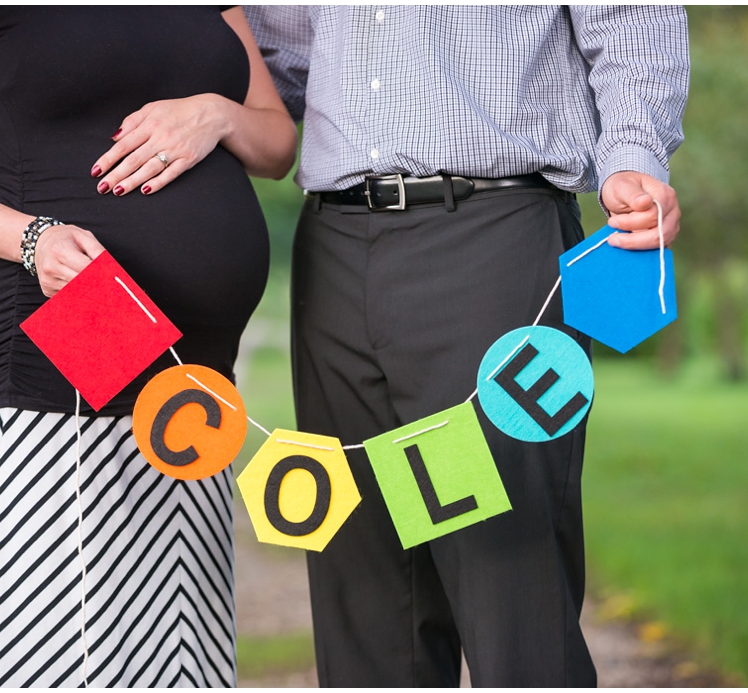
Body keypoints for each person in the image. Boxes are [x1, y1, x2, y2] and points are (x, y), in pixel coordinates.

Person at [241, 5, 689, 687]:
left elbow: (631, 21)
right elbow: (283, 58)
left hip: (492, 239)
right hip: (334, 251)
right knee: (367, 588)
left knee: (506, 584)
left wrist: (630, 155)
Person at [0, 6, 295, 687]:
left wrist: (217, 112)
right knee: (56, 645)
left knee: (172, 648)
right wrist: (31, 239)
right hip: (63, 340)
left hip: (194, 385)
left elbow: (277, 143)